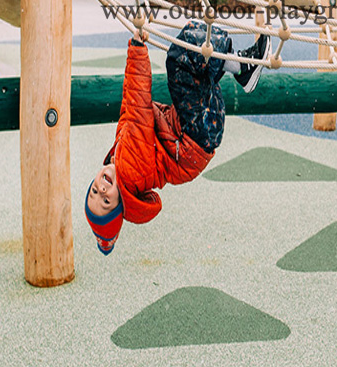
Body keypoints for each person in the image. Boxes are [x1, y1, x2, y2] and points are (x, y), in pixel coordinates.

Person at [86, 21, 270, 254]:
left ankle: (244, 64)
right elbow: (136, 106)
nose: (102, 190)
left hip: (198, 134)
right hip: (194, 134)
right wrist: (137, 49)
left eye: (94, 191)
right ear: (122, 202)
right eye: (106, 201)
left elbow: (127, 106)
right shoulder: (129, 170)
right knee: (180, 59)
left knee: (193, 42)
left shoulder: (119, 156)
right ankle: (243, 68)